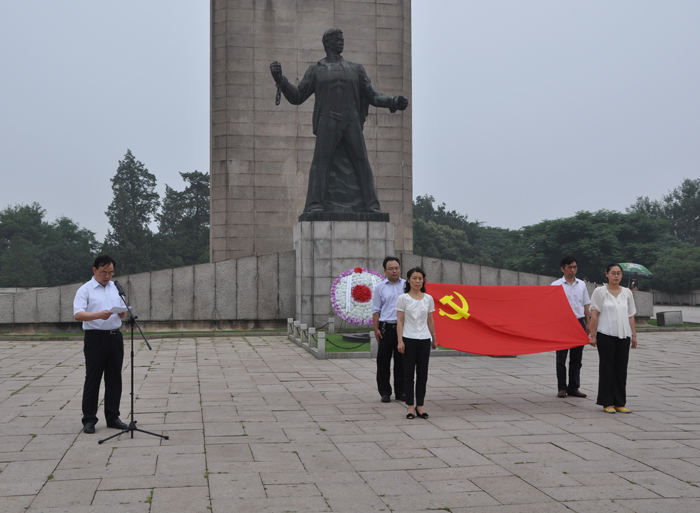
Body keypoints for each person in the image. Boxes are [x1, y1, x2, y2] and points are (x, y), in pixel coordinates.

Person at [270, 28, 409, 213]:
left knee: (362, 162)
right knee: (320, 163)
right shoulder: (316, 70)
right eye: (337, 39)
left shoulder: (356, 69)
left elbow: (373, 96)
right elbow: (297, 96)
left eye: (342, 38)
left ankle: (372, 205)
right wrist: (280, 80)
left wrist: (392, 101)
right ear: (327, 43)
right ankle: (315, 205)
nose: (341, 41)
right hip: (328, 121)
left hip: (351, 120)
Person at [73, 255, 128, 433]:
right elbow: (78, 314)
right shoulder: (85, 289)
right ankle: (89, 419)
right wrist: (98, 315)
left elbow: (123, 310)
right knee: (93, 379)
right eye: (104, 272)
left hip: (115, 337)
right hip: (95, 338)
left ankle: (113, 417)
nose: (107, 276)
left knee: (114, 379)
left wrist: (122, 314)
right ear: (95, 270)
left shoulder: (115, 288)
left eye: (111, 272)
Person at [589, 263, 638, 413]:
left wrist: (634, 335)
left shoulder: (627, 292)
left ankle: (619, 402)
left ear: (622, 276)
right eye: (613, 273)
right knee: (607, 368)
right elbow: (594, 314)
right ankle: (607, 402)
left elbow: (630, 315)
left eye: (619, 273)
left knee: (621, 369)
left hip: (624, 335)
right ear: (607, 274)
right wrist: (592, 335)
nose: (616, 276)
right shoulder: (600, 291)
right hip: (606, 335)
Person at [397, 267, 437, 419]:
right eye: (414, 278)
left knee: (422, 374)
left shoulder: (428, 298)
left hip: (424, 339)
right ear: (408, 280)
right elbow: (400, 321)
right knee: (408, 374)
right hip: (408, 338)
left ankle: (420, 406)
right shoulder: (403, 298)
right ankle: (410, 407)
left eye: (420, 278)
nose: (417, 281)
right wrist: (400, 340)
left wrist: (434, 338)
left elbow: (430, 320)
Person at [552, 256, 591, 398]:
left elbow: (586, 305)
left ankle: (574, 387)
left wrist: (588, 324)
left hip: (578, 322)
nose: (572, 270)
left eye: (575, 267)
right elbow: (551, 307)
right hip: (562, 324)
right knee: (561, 358)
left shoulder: (582, 284)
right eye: (570, 267)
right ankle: (562, 387)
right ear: (563, 269)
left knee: (577, 358)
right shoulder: (556, 285)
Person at [372, 257, 405, 403]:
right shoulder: (380, 287)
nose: (394, 271)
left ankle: (401, 391)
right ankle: (385, 392)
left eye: (396, 267)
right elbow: (376, 309)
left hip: (404, 328)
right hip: (385, 327)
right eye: (391, 268)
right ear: (385, 271)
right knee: (383, 361)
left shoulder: (407, 285)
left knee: (402, 361)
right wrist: (376, 328)